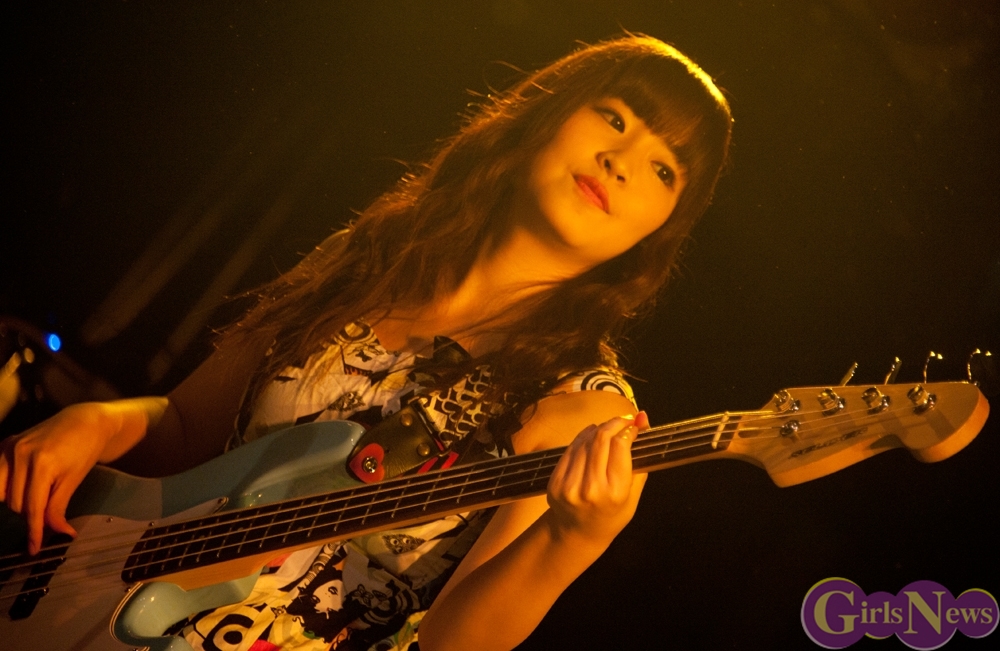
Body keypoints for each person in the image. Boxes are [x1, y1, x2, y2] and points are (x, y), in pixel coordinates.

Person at [0, 34, 732, 651]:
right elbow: (187, 429)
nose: (621, 160)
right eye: (614, 117)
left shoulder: (583, 406)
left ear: (659, 230)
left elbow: (450, 642)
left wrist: (573, 540)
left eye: (663, 169)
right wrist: (94, 423)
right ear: (549, 112)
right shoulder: (372, 257)